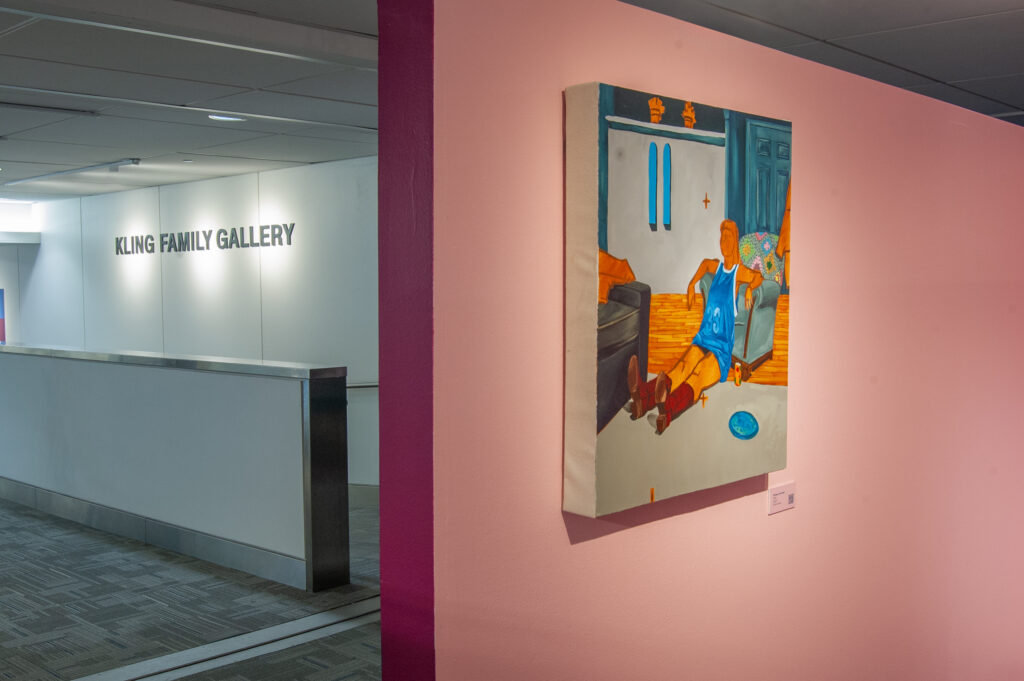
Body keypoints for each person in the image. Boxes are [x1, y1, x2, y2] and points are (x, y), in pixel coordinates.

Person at [627, 219, 763, 434]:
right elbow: (704, 264)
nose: (722, 242)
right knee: (681, 368)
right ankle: (643, 397)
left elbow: (758, 276)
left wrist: (748, 290)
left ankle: (667, 409)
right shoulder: (715, 267)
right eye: (721, 237)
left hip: (719, 352)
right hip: (703, 339)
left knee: (697, 375)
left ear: (735, 241)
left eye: (727, 238)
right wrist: (691, 284)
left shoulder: (739, 274)